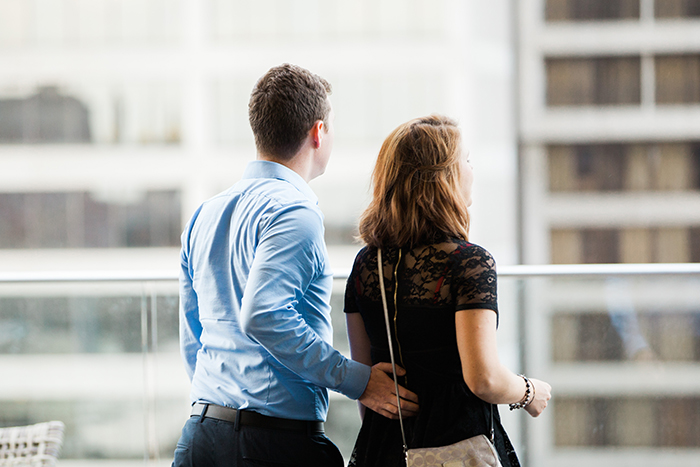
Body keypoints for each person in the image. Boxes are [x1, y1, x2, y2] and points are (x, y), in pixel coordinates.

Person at [172, 64, 419, 467]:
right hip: (271, 445)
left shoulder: (205, 214)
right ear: (318, 132)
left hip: (201, 435)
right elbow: (264, 315)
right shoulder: (294, 212)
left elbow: (192, 338)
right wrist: (359, 381)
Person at [344, 115, 552, 467]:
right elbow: (483, 377)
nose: (472, 170)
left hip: (384, 448)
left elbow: (368, 380)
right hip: (460, 446)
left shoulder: (367, 265)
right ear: (445, 178)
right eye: (466, 161)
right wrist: (529, 391)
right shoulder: (470, 263)